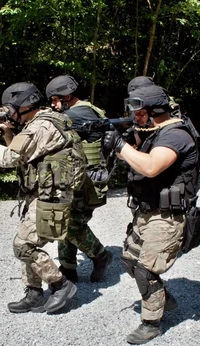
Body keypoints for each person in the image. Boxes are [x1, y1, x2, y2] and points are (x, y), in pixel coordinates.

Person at [0, 82, 83, 314]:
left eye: (10, 109)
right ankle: (34, 293)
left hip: (52, 196)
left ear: (23, 106)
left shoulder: (39, 127)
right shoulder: (44, 120)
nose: (7, 113)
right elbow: (25, 158)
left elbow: (8, 159)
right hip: (44, 192)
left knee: (23, 245)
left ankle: (61, 284)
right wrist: (10, 133)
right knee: (25, 239)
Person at [102, 84, 200, 344]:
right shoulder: (151, 132)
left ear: (154, 111)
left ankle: (151, 323)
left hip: (167, 217)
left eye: (139, 112)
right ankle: (163, 298)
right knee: (129, 261)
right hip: (145, 212)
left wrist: (120, 145)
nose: (135, 117)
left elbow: (151, 166)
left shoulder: (175, 135)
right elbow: (134, 157)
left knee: (146, 269)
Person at [44, 75, 112, 283]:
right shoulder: (75, 112)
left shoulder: (81, 112)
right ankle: (69, 268)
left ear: (68, 96)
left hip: (89, 181)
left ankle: (101, 255)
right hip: (74, 178)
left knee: (72, 225)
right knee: (65, 219)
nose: (53, 105)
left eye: (55, 100)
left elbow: (51, 127)